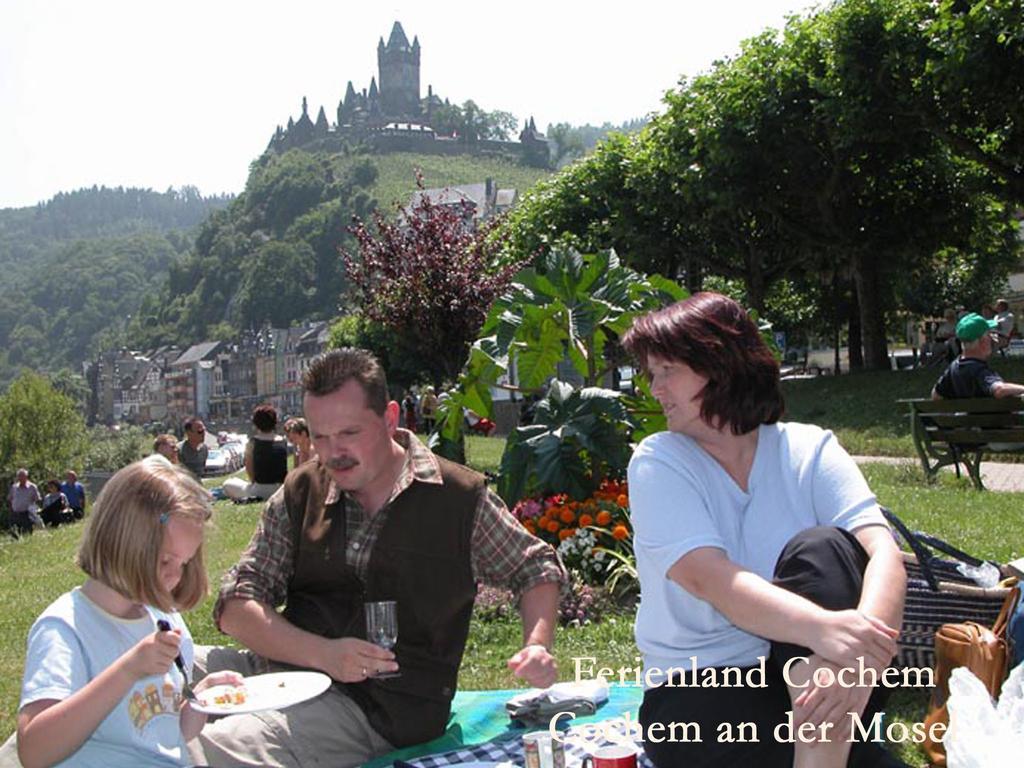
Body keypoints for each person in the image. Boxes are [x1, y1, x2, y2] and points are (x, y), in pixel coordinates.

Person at [188, 348, 565, 768]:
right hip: (281, 672)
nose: (333, 453)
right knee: (154, 674)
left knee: (217, 748)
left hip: (379, 710)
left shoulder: (457, 499)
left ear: (389, 418)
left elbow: (534, 567)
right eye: (321, 437)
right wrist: (324, 655)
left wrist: (536, 645)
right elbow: (236, 605)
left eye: (349, 433)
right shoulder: (301, 491)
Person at [621, 293, 907, 768]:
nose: (655, 388)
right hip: (700, 693)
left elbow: (884, 553)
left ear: (719, 365)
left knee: (826, 549)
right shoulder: (659, 461)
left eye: (667, 370)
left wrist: (858, 651)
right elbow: (708, 578)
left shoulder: (810, 448)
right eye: (652, 373)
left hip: (831, 677)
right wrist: (825, 629)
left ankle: (821, 747)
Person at [15, 459, 243, 767]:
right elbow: (34, 751)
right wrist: (128, 670)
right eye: (166, 561)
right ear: (123, 541)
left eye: (184, 563)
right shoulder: (66, 628)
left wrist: (200, 700)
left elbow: (169, 734)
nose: (175, 576)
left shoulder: (163, 620)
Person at [932, 312, 1024, 400]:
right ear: (982, 342)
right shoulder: (979, 370)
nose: (992, 339)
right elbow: (999, 390)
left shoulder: (953, 368)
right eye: (989, 335)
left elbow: (936, 395)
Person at [223, 403, 289, 502]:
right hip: (281, 490)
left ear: (256, 423)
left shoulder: (252, 443)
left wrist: (254, 484)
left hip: (259, 490)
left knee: (228, 484)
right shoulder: (283, 442)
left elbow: (250, 470)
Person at [7, 469, 41, 537]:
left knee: (27, 533)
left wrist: (34, 511)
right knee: (14, 534)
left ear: (26, 477)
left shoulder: (32, 487)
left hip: (27, 514)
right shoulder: (14, 487)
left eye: (23, 476)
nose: (21, 478)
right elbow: (10, 499)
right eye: (19, 476)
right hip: (15, 514)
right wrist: (11, 510)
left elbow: (38, 499)